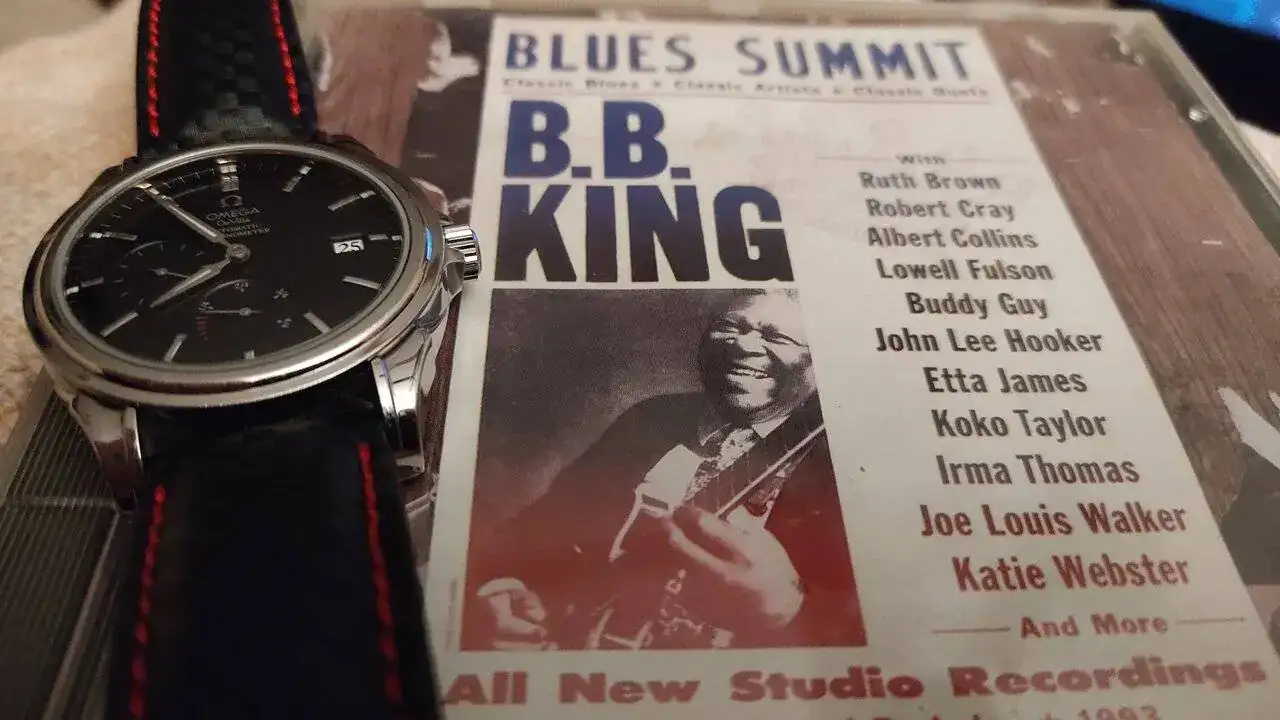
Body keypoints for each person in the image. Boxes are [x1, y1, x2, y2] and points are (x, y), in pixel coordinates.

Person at [464, 291, 865, 650]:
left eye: (776, 337)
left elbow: (885, 618)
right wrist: (504, 585)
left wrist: (790, 606)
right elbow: (547, 524)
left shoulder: (848, 456)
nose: (743, 344)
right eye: (731, 327)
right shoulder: (653, 417)